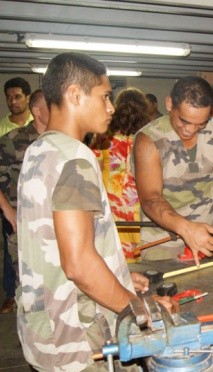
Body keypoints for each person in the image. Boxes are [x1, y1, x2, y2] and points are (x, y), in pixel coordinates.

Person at [16, 52, 178, 371]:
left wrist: (115, 273)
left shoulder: (40, 149)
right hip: (75, 338)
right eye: (104, 96)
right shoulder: (77, 158)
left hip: (42, 329)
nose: (110, 107)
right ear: (75, 95)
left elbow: (53, 242)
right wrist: (140, 309)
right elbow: (77, 263)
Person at [132, 76, 213, 265]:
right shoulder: (150, 140)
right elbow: (150, 198)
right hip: (163, 241)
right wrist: (187, 229)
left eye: (201, 123)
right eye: (184, 121)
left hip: (208, 237)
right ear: (169, 104)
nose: (191, 130)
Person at [0, 89, 48, 314]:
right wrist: (8, 211)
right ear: (37, 111)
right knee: (26, 283)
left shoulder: (60, 139)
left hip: (53, 221)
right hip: (24, 222)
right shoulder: (13, 140)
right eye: (52, 106)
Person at [89, 88, 151, 261]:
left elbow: (94, 169)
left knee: (113, 253)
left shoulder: (102, 136)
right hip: (140, 203)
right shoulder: (149, 138)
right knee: (138, 254)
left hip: (111, 204)